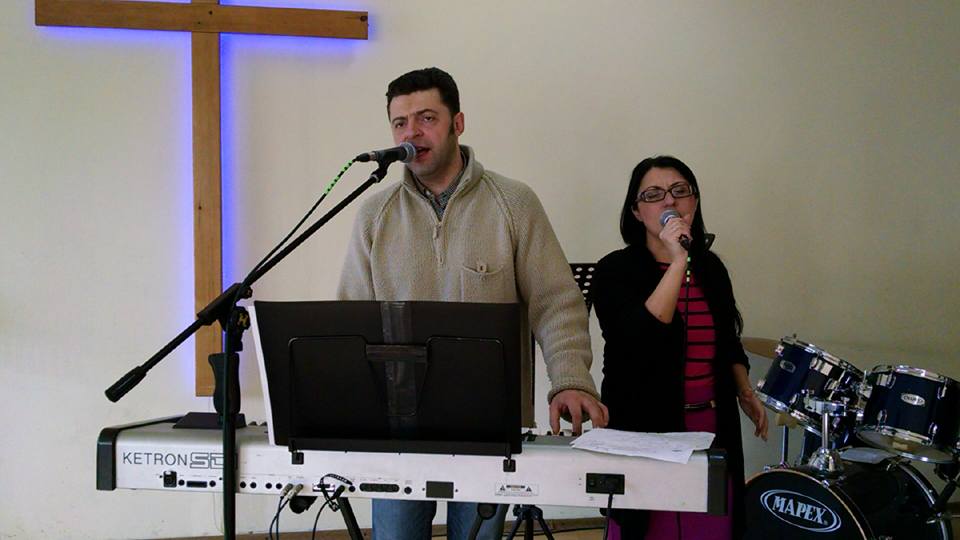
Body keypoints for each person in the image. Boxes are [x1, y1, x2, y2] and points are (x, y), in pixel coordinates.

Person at [337, 67, 609, 540]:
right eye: (400, 123)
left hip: (489, 425)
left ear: (457, 124)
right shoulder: (374, 214)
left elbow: (556, 302)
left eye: (426, 118)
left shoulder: (514, 203)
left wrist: (569, 380)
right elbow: (351, 320)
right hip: (399, 429)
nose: (411, 133)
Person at [592, 156, 768, 539]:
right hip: (644, 428)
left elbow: (728, 341)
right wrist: (677, 262)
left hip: (710, 424)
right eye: (653, 195)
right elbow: (640, 339)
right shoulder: (615, 270)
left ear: (694, 202)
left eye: (679, 191)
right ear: (636, 212)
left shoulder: (711, 269)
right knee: (648, 528)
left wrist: (744, 389)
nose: (669, 201)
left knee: (710, 525)